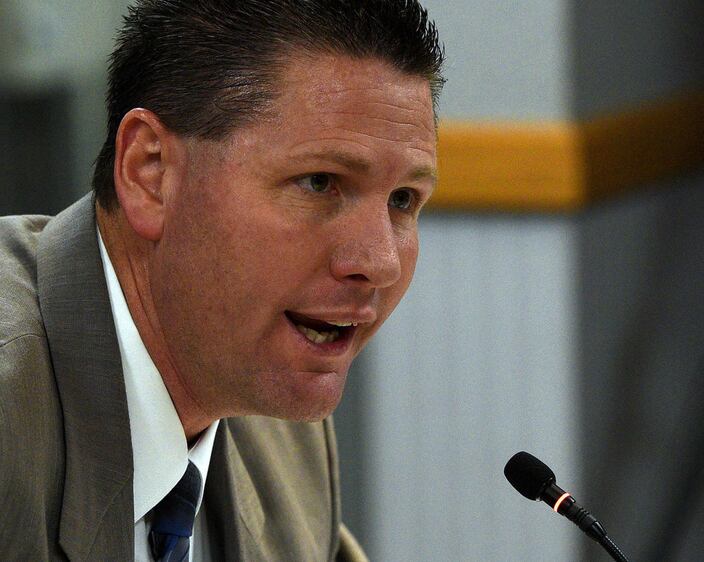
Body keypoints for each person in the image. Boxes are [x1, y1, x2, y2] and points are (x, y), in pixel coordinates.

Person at [0, 1, 444, 560]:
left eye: (403, 200)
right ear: (151, 173)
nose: (380, 262)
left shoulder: (280, 426)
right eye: (319, 182)